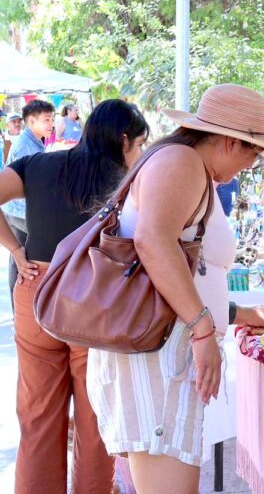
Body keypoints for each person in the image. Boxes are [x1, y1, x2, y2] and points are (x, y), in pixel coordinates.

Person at [85, 84, 264, 492]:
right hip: (158, 356)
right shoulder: (181, 162)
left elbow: (184, 271)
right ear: (234, 143)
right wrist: (202, 330)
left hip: (160, 351)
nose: (250, 166)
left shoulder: (181, 162)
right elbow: (153, 242)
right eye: (254, 154)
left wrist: (234, 314)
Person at [0, 99, 149, 493]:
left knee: (37, 418)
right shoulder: (130, 180)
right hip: (95, 300)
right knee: (95, 421)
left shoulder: (39, 165)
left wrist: (17, 249)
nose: (141, 153)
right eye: (140, 143)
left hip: (38, 290)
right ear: (123, 140)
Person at [2, 100, 55, 309]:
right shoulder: (26, 146)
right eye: (46, 120)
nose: (51, 124)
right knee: (26, 259)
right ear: (31, 121)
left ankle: (22, 308)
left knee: (19, 258)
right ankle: (24, 308)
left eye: (52, 119)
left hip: (16, 210)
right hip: (19, 211)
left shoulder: (34, 142)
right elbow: (31, 185)